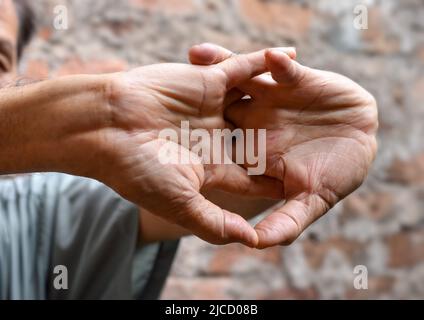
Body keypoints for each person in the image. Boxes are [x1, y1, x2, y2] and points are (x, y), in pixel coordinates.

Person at [0, 0, 378, 299]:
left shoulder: (39, 216)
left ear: (17, 71)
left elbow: (178, 196)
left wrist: (261, 145)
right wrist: (101, 111)